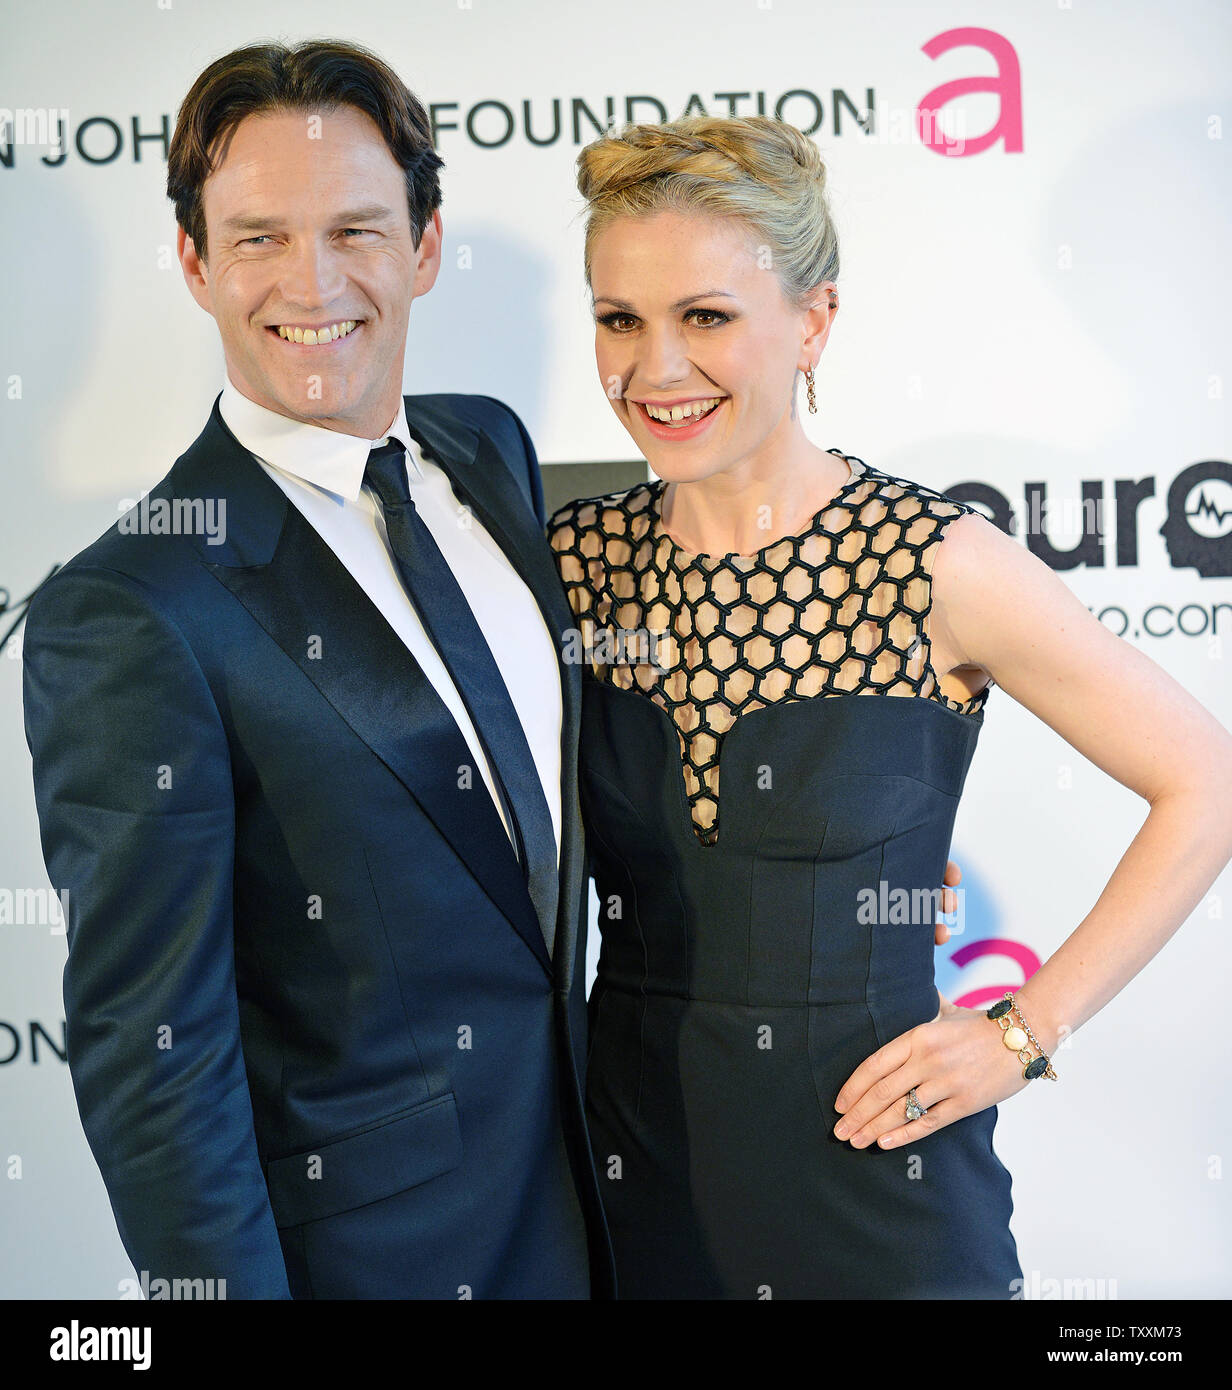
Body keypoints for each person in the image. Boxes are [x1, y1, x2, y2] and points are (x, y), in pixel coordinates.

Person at [547, 115, 1232, 1299]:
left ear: (812, 319)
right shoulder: (566, 564)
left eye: (704, 316)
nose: (654, 369)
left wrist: (1022, 1031)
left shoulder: (933, 562)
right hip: (630, 1184)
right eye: (620, 318)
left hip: (884, 1192)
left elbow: (1204, 781)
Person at [21, 38, 614, 1300]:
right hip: (375, 1266)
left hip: (603, 1216)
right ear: (191, 261)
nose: (312, 280)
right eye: (256, 238)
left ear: (425, 244)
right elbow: (153, 1055)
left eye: (355, 227)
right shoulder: (130, 606)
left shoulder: (484, 450)